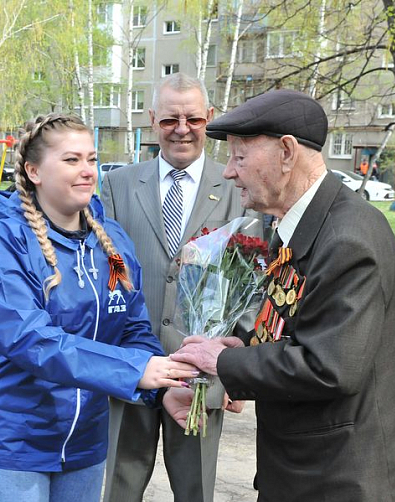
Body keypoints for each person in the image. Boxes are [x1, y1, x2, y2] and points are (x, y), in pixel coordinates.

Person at [170, 89, 395, 501]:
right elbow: (297, 326)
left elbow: (330, 366)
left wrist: (226, 362)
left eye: (240, 157)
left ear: (286, 152)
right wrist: (242, 347)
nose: (229, 172)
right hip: (306, 471)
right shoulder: (302, 226)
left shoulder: (347, 238)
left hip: (341, 480)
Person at [0, 113, 198, 502]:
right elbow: (29, 340)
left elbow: (133, 326)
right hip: (12, 439)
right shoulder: (6, 244)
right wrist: (134, 370)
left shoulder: (112, 244)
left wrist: (163, 390)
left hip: (83, 440)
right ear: (34, 171)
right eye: (71, 160)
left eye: (91, 159)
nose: (87, 171)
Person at [101, 73, 251, 502]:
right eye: (169, 119)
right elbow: (105, 274)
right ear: (152, 120)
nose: (182, 128)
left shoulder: (238, 189)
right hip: (133, 368)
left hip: (200, 375)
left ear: (210, 118)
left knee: (195, 489)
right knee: (119, 488)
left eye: (193, 118)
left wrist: (231, 372)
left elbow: (252, 285)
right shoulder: (118, 184)